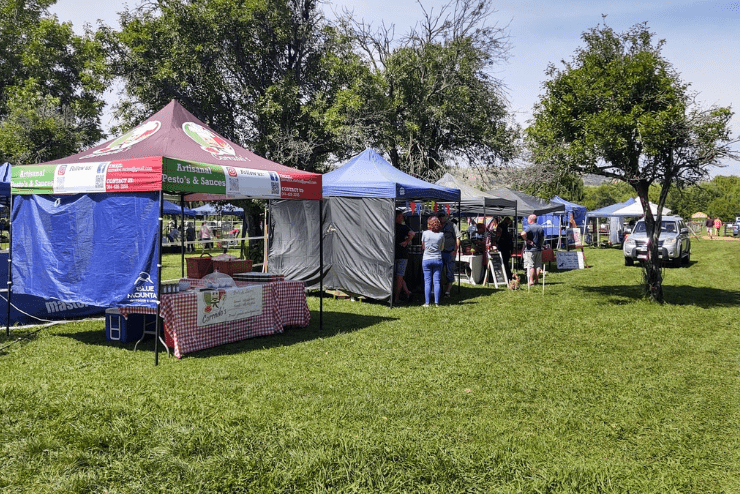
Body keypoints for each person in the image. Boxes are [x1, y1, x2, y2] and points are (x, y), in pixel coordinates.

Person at [393, 208, 416, 304]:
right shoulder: (404, 227)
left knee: (398, 277)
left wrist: (406, 241)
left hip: (392, 254)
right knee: (399, 277)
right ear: (398, 217)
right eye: (401, 217)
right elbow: (412, 234)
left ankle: (401, 296)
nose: (402, 218)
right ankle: (400, 296)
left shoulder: (390, 226)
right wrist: (406, 242)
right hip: (402, 255)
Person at [422, 215, 445, 307]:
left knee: (427, 281)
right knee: (437, 281)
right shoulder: (441, 235)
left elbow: (423, 246)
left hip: (426, 259)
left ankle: (427, 303)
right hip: (437, 258)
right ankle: (437, 303)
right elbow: (442, 248)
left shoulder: (425, 233)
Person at [437, 211, 460, 297]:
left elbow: (458, 238)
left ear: (446, 216)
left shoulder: (452, 225)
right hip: (440, 253)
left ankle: (448, 291)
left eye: (443, 216)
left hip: (450, 252)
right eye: (440, 216)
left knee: (450, 271)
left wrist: (455, 250)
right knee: (439, 272)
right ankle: (439, 289)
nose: (441, 218)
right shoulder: (437, 226)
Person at [521, 214, 544, 285]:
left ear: (530, 220)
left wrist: (526, 240)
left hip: (530, 250)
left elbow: (522, 233)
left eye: (528, 219)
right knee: (538, 266)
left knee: (531, 265)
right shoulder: (540, 228)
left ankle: (531, 281)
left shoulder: (530, 227)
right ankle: (537, 281)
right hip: (538, 249)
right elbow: (542, 239)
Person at [496, 216, 514, 280]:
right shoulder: (502, 227)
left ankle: (507, 276)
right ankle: (507, 275)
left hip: (505, 247)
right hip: (505, 247)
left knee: (505, 262)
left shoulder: (506, 229)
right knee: (505, 262)